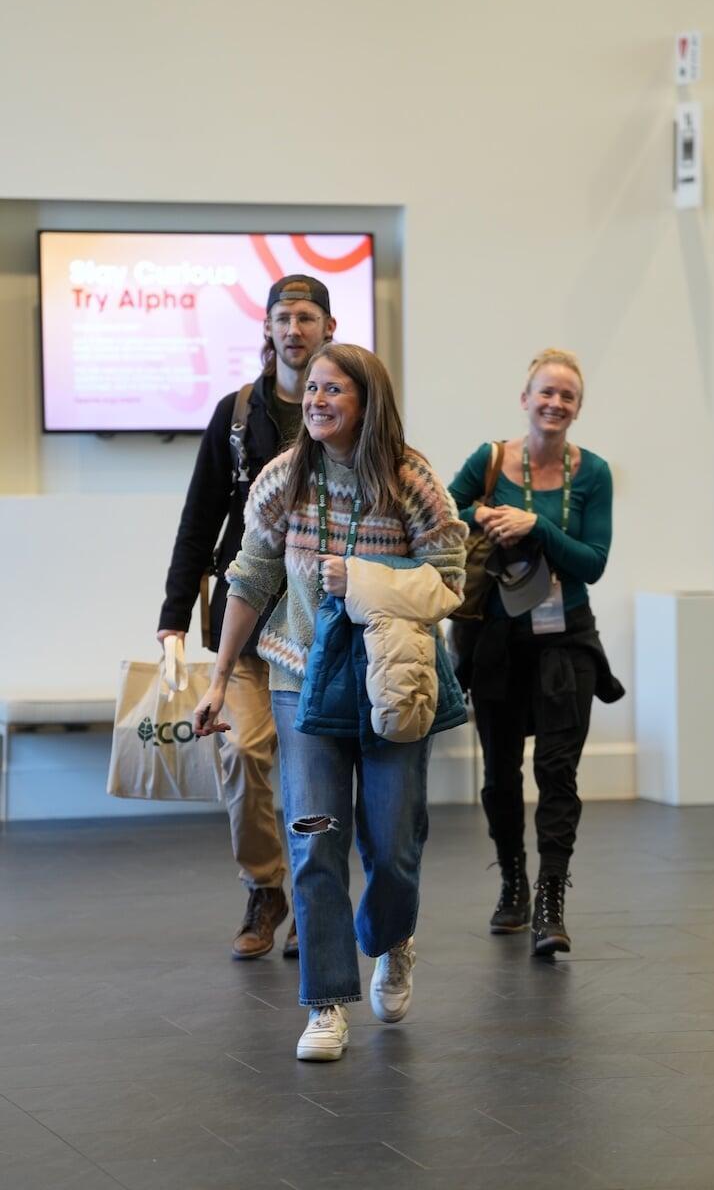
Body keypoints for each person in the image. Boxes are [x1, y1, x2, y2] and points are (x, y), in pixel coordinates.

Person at [193, 343, 467, 1061]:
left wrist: (364, 578)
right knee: (314, 836)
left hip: (391, 684)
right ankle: (325, 1002)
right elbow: (249, 578)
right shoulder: (284, 478)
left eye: (332, 390)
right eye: (311, 388)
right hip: (300, 686)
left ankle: (392, 941)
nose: (315, 400)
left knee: (394, 843)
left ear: (367, 401)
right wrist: (218, 679)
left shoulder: (411, 479)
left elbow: (449, 578)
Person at [158, 274, 336, 960]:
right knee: (240, 749)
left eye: (307, 317)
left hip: (323, 622)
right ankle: (266, 887)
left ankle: (314, 899)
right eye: (283, 317)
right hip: (246, 622)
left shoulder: (348, 406)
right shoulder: (235, 414)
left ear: (328, 328)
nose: (294, 329)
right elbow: (198, 518)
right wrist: (173, 617)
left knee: (316, 770)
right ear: (267, 327)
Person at [449, 348, 623, 956]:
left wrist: (537, 526)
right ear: (525, 400)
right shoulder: (491, 459)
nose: (554, 403)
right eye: (545, 392)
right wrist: (486, 515)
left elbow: (593, 563)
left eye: (567, 396)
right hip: (496, 638)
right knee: (500, 774)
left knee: (557, 770)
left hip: (566, 635)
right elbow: (444, 514)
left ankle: (551, 902)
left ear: (578, 409)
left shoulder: (593, 473)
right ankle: (513, 883)